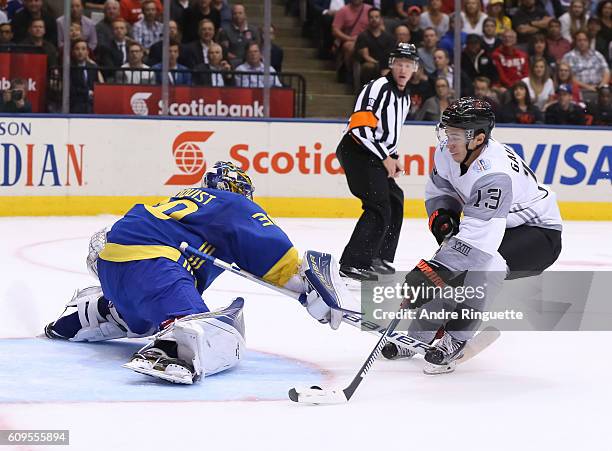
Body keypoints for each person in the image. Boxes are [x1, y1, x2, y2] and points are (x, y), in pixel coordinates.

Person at [44, 161, 353, 384]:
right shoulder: (231, 203)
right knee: (216, 332)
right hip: (155, 265)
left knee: (142, 314)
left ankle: (96, 311)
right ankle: (172, 349)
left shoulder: (185, 201)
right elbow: (271, 250)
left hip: (114, 264)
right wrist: (310, 286)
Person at [382, 97, 562, 372]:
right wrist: (444, 216)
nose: (448, 141)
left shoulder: (494, 174)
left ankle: (456, 338)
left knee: (484, 266)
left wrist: (434, 272)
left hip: (538, 232)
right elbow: (441, 189)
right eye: (447, 132)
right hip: (497, 224)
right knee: (449, 264)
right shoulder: (447, 151)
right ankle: (419, 335)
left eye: (455, 135)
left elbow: (480, 240)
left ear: (478, 139)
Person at [335, 43, 419, 281]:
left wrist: (393, 157)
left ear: (415, 69)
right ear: (391, 65)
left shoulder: (405, 98)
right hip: (357, 150)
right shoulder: (377, 88)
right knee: (378, 204)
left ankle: (377, 256)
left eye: (409, 64)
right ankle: (353, 262)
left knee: (395, 198)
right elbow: (359, 129)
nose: (403, 69)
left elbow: (388, 134)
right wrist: (385, 157)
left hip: (376, 154)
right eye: (399, 63)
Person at [355, 7, 395, 85]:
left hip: (386, 64)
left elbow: (390, 55)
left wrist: (386, 68)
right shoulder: (363, 36)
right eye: (371, 17)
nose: (374, 19)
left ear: (381, 19)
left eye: (376, 17)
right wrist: (379, 65)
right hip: (371, 64)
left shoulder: (389, 37)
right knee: (369, 67)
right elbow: (366, 56)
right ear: (368, 19)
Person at [70, 38, 103, 113]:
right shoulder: (70, 69)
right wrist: (87, 92)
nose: (80, 52)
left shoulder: (93, 67)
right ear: (73, 52)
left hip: (92, 104)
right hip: (76, 105)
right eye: (77, 49)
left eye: (83, 49)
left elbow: (97, 84)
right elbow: (71, 89)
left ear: (87, 52)